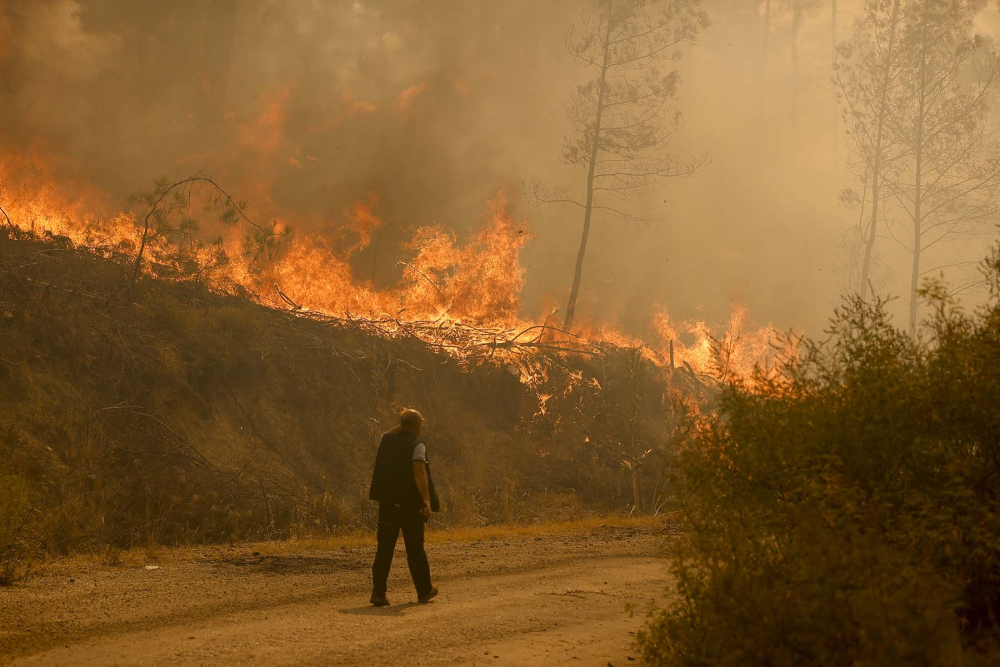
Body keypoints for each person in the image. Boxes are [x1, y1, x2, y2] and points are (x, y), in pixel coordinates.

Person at [368, 408, 438, 606]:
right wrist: (426, 499)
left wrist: (404, 422)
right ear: (417, 426)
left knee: (384, 550)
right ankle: (424, 591)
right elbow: (419, 472)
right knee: (415, 550)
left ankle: (378, 593)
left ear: (400, 424)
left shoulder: (387, 439)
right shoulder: (417, 445)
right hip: (410, 507)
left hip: (388, 504)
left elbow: (391, 431)